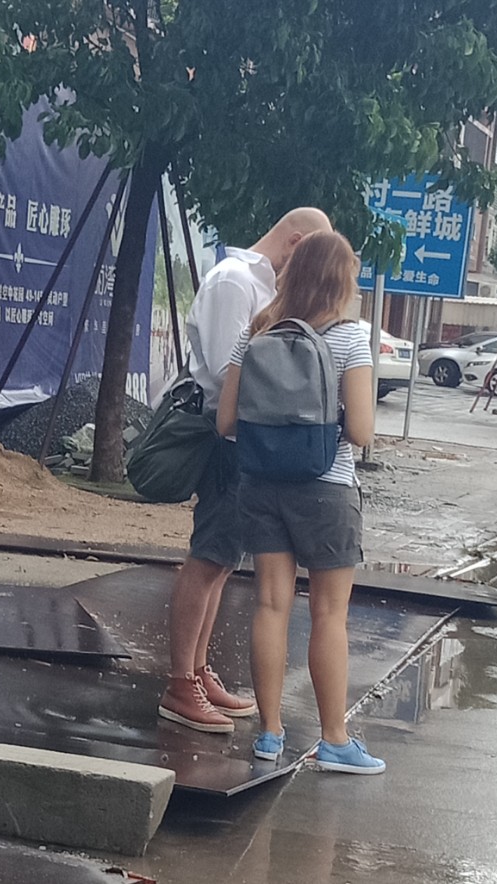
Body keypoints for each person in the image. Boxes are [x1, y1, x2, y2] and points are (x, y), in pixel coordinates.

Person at [157, 208, 333, 734]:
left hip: (247, 443)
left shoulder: (256, 285)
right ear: (295, 242)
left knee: (222, 561)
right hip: (228, 439)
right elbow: (223, 370)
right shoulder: (234, 282)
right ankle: (180, 684)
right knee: (208, 557)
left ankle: (197, 670)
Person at [216, 230, 386, 773]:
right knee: (329, 613)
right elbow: (360, 432)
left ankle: (269, 734)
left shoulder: (256, 331)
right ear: (342, 280)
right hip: (326, 488)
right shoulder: (350, 338)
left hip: (261, 484)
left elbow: (226, 422)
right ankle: (334, 740)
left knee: (270, 605)